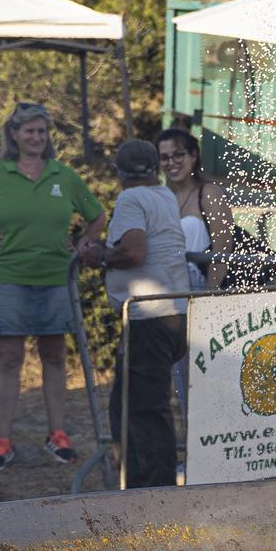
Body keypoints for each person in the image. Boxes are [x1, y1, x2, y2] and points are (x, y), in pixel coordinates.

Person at [0, 103, 106, 472]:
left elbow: (97, 216)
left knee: (54, 356)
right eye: (29, 131)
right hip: (7, 278)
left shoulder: (64, 175)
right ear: (13, 135)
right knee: (10, 359)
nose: (36, 138)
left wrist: (83, 246)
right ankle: (2, 440)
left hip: (55, 278)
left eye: (42, 132)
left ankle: (57, 434)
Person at [78, 141, 191, 488]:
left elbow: (134, 250)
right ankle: (143, 483)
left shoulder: (130, 199)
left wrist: (97, 256)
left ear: (119, 172)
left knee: (141, 410)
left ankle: (150, 492)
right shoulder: (164, 195)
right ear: (155, 167)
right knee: (136, 405)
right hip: (175, 310)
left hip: (148, 315)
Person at [158, 126, 234, 407]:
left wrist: (209, 297)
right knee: (178, 376)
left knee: (204, 376)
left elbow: (223, 249)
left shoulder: (209, 193)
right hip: (167, 295)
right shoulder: (162, 197)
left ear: (193, 156)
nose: (171, 163)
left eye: (178, 155)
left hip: (201, 293)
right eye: (164, 157)